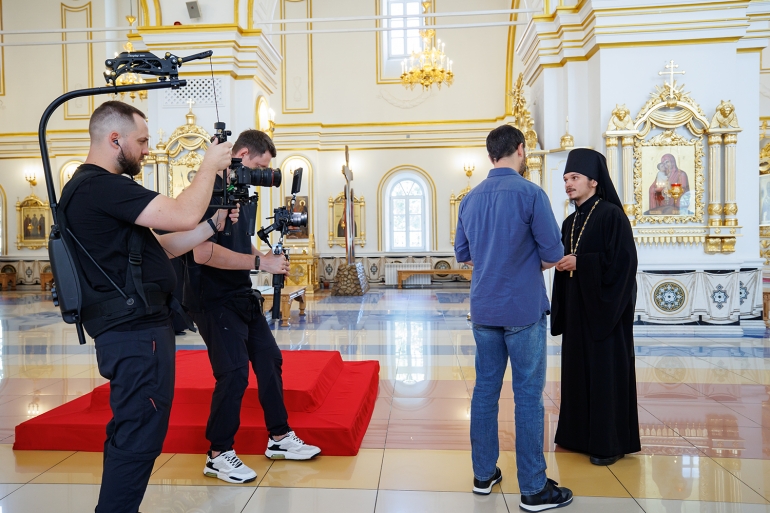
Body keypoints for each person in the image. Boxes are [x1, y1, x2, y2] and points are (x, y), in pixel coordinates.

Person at [62, 100, 234, 513]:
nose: (147, 149)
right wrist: (209, 165)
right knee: (139, 434)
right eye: (141, 141)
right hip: (135, 334)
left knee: (134, 429)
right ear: (114, 139)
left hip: (135, 331)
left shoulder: (93, 190)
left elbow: (162, 247)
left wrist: (211, 225)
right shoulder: (101, 186)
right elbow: (182, 213)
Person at [184, 129, 320, 485]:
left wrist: (265, 257)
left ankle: (279, 437)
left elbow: (243, 245)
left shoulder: (241, 195)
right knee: (233, 373)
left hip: (240, 292)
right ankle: (218, 454)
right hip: (210, 297)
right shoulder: (209, 192)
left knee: (269, 360)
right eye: (259, 167)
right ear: (241, 155)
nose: (262, 176)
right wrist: (261, 264)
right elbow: (202, 252)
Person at [454, 124, 573, 511]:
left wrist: (494, 260)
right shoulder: (531, 194)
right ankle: (534, 488)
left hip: (484, 308)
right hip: (522, 308)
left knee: (485, 392)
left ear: (490, 156)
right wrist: (525, 263)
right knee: (528, 397)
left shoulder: (470, 199)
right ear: (520, 149)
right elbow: (554, 253)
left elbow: (463, 254)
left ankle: (483, 474)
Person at [551, 148, 640, 466]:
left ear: (593, 181)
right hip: (577, 312)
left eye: (574, 178)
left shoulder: (612, 216)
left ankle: (608, 443)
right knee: (576, 374)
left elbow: (624, 264)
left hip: (606, 314)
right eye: (565, 179)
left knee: (605, 376)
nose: (568, 184)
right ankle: (577, 436)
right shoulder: (569, 221)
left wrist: (581, 263)